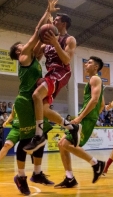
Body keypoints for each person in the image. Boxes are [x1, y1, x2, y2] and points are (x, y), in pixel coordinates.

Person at [9, 0, 59, 195]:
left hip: (34, 101)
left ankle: (37, 172)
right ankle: (20, 176)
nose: (26, 45)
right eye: (21, 45)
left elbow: (42, 38)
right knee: (26, 139)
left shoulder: (34, 57)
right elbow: (36, 33)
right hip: (24, 102)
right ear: (18, 51)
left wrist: (50, 18)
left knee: (42, 136)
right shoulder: (23, 58)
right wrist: (46, 11)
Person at [24, 12, 81, 153]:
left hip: (62, 72)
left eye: (56, 20)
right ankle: (71, 127)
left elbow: (67, 60)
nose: (53, 21)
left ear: (64, 24)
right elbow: (35, 54)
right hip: (50, 74)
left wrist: (55, 42)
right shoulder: (48, 41)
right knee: (44, 110)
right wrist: (41, 38)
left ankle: (38, 135)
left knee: (37, 95)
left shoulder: (70, 39)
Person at [54, 56, 106, 188]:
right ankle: (69, 178)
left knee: (65, 143)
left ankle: (96, 163)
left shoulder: (95, 78)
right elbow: (102, 104)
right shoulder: (94, 81)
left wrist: (82, 117)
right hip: (89, 116)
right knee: (61, 144)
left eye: (89, 63)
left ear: (96, 67)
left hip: (86, 118)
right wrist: (93, 115)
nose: (86, 65)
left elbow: (95, 101)